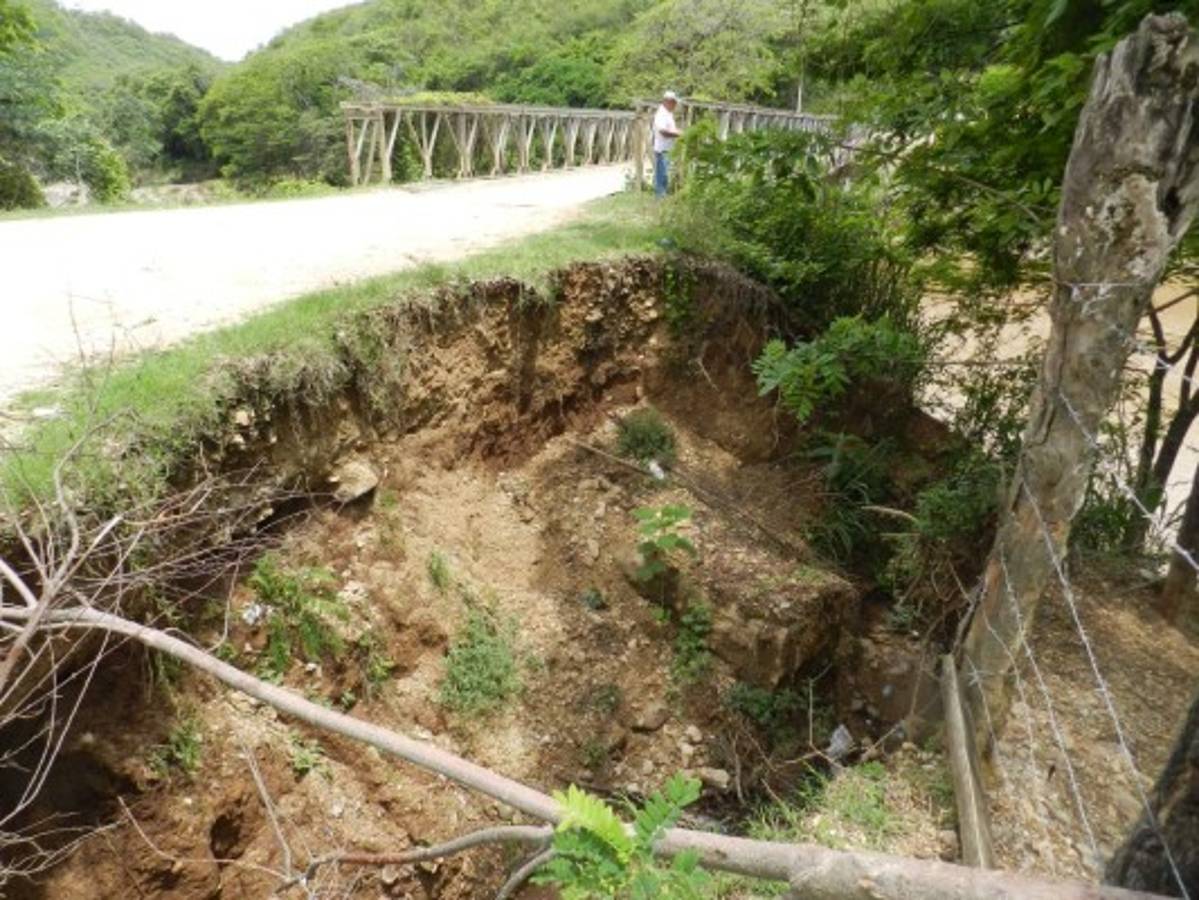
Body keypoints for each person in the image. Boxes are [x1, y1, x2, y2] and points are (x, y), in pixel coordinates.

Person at [653, 90, 682, 198]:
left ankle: (662, 194)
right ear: (667, 101)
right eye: (674, 102)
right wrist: (679, 134)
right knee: (662, 173)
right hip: (662, 149)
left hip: (667, 148)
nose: (675, 105)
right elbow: (663, 132)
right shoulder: (661, 114)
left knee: (664, 173)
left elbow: (670, 129)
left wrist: (678, 131)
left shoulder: (668, 114)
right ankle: (660, 196)